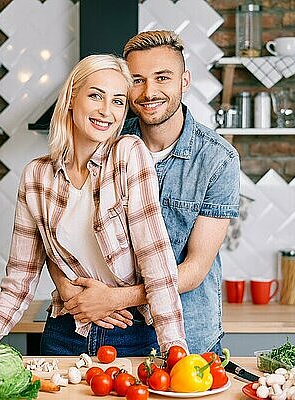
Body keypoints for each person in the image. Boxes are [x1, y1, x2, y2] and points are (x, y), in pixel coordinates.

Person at [0, 54, 187, 367]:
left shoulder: (128, 155)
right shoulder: (36, 176)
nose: (106, 111)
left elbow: (156, 260)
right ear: (72, 97)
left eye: (117, 101)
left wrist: (175, 353)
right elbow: (19, 280)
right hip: (64, 333)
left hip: (132, 334)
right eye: (95, 96)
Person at [49, 30, 240, 355]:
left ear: (184, 81)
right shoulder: (103, 136)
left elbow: (194, 270)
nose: (150, 91)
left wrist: (113, 298)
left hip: (185, 334)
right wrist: (70, 292)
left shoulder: (217, 159)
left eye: (162, 77)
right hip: (97, 327)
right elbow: (55, 230)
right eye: (137, 80)